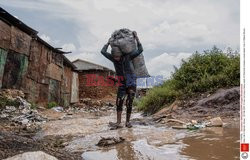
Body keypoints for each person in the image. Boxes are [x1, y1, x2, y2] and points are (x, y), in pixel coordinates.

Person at [101, 31, 143, 129]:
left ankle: (128, 122)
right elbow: (103, 52)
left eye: (117, 56)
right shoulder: (112, 58)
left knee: (129, 102)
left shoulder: (128, 57)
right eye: (114, 56)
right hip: (122, 83)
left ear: (120, 54)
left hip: (131, 81)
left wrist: (137, 38)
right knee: (119, 101)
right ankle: (118, 123)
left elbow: (140, 50)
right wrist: (107, 43)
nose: (116, 58)